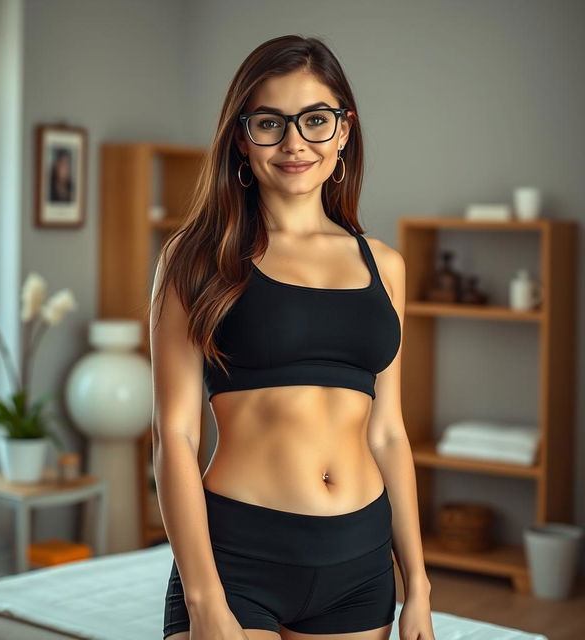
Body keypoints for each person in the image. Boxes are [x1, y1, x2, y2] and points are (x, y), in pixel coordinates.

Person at [150, 34, 435, 640]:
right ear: (241, 138)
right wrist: (204, 601)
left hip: (360, 564)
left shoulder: (385, 265)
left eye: (314, 120)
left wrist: (419, 588)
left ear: (343, 131)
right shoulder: (197, 260)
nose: (295, 143)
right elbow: (174, 435)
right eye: (270, 124)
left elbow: (388, 432)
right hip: (238, 559)